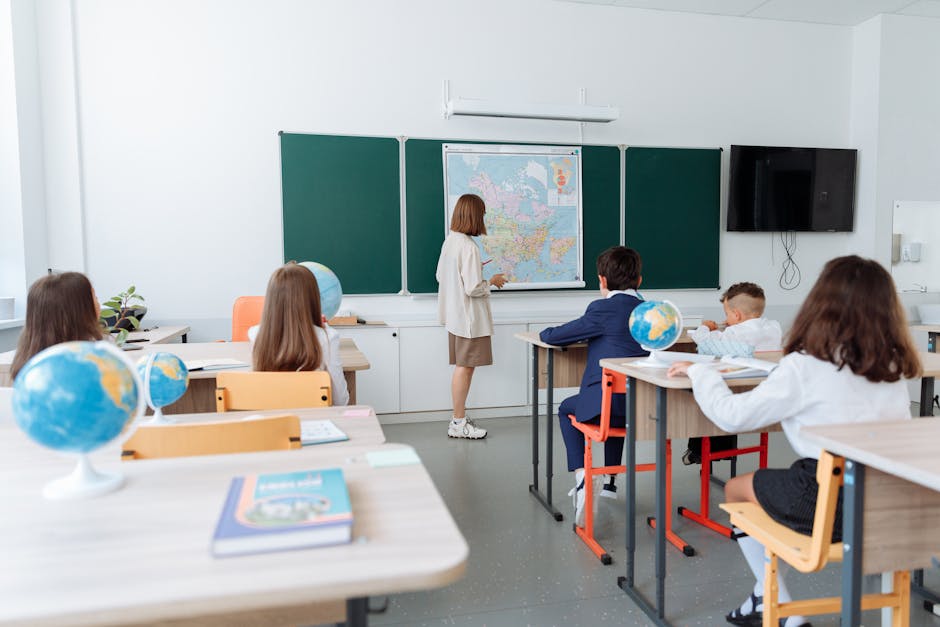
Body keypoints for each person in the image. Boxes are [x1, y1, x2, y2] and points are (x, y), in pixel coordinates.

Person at [667, 256, 920, 627]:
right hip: (888, 506)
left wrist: (702, 373)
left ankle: (782, 605)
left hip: (826, 504)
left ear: (820, 303)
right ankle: (761, 597)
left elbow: (732, 416)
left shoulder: (805, 365)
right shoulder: (893, 367)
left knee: (737, 489)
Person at [539, 246, 648, 524]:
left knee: (566, 408)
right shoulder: (651, 313)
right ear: (639, 281)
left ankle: (583, 477)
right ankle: (610, 481)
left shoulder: (602, 309)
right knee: (618, 404)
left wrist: (545, 332)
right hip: (646, 406)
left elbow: (555, 336)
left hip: (605, 406)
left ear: (602, 280)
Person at [683, 282, 783, 465]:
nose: (726, 319)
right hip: (766, 396)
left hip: (737, 399)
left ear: (736, 315)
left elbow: (703, 341)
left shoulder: (734, 332)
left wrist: (706, 326)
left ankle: (699, 451)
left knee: (704, 390)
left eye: (727, 314)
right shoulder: (774, 327)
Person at [436, 193, 507, 439]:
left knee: (462, 367)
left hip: (456, 318)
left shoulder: (450, 241)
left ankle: (459, 418)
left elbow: (440, 277)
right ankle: (458, 422)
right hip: (469, 321)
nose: (484, 218)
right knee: (464, 369)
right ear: (475, 216)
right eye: (483, 214)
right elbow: (473, 288)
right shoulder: (468, 247)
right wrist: (492, 281)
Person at [249, 263, 349, 406]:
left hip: (271, 423)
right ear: (312, 297)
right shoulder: (327, 337)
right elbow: (341, 400)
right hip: (312, 424)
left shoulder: (254, 334)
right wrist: (324, 328)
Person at [11, 272, 104, 380]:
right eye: (95, 297)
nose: (99, 304)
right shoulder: (91, 367)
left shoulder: (30, 369)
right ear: (79, 312)